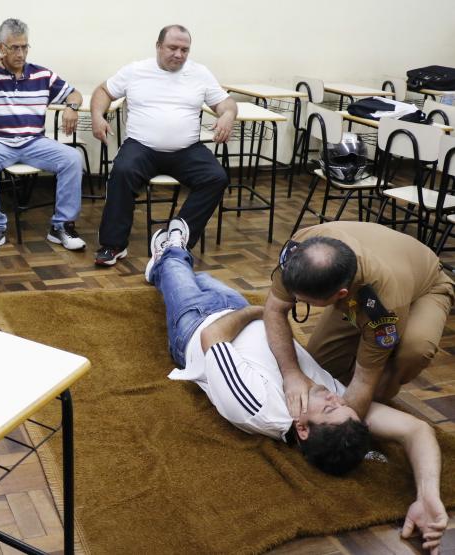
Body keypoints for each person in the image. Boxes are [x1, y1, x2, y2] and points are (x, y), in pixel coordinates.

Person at [147, 219, 447, 551]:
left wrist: (252, 311)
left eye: (333, 406)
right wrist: (428, 495)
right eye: (344, 405)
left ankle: (167, 253)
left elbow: (212, 337)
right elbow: (418, 430)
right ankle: (184, 272)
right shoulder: (335, 407)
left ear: (302, 428)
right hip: (247, 311)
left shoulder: (258, 407)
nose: (338, 395)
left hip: (199, 321)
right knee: (203, 279)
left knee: (173, 263)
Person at [264, 221, 455, 421]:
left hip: (427, 285)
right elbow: (275, 309)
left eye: (304, 300)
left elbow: (364, 380)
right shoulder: (299, 250)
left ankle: (380, 404)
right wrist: (292, 374)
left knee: (414, 351)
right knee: (320, 368)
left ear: (340, 295)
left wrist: (341, 427)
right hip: (384, 261)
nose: (296, 301)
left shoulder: (383, 308)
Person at [91, 24, 237, 266]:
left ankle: (177, 239)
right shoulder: (136, 70)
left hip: (186, 149)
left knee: (216, 177)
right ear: (158, 47)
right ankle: (113, 245)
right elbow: (104, 90)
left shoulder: (199, 73)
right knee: (122, 172)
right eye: (172, 48)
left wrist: (228, 115)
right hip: (141, 147)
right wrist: (98, 115)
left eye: (184, 50)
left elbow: (226, 103)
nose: (178, 54)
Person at [0, 18, 85, 254]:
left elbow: (75, 94)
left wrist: (72, 107)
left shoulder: (42, 74)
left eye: (24, 47)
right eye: (14, 47)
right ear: (0, 48)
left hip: (33, 142)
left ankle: (62, 226)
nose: (20, 53)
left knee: (72, 158)